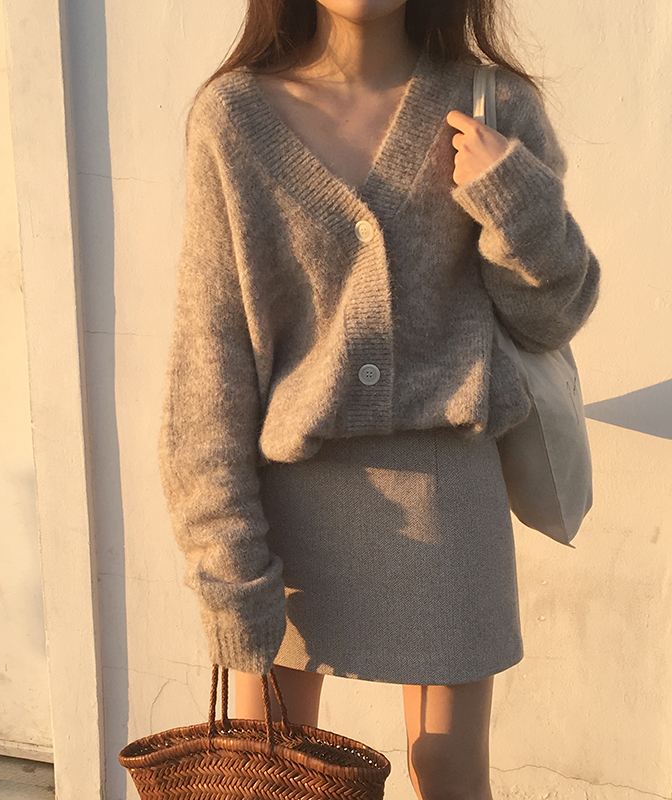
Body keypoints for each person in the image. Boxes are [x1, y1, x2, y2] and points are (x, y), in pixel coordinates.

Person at [158, 0, 600, 797]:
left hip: (448, 503)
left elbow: (552, 317)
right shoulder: (233, 116)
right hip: (283, 516)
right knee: (270, 772)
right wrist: (225, 563)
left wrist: (511, 197)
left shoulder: (491, 104)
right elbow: (210, 361)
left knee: (448, 769)